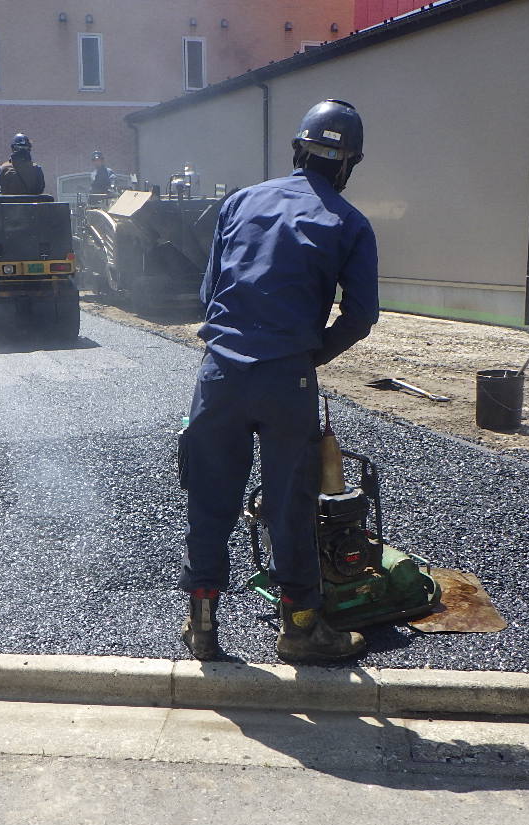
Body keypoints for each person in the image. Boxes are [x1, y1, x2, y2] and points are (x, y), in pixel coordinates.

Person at [178, 99, 379, 663]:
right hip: (287, 377)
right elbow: (361, 317)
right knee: (290, 502)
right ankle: (300, 628)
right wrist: (310, 357)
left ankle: (202, 624)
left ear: (297, 149)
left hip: (219, 373)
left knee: (209, 496)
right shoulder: (349, 222)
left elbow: (208, 295)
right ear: (348, 163)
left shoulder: (239, 202)